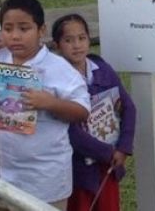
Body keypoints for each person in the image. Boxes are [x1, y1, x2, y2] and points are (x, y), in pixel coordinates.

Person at [0, 0, 90, 211]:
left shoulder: (59, 69)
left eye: (24, 28)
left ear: (41, 30)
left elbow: (82, 111)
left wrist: (50, 103)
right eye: (8, 29)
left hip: (42, 183)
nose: (15, 36)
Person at [52, 14, 136, 211]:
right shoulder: (56, 79)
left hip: (109, 164)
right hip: (78, 168)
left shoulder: (102, 69)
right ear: (56, 45)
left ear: (89, 39)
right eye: (68, 40)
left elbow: (128, 107)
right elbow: (70, 130)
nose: (76, 45)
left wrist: (123, 148)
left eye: (82, 38)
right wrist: (107, 152)